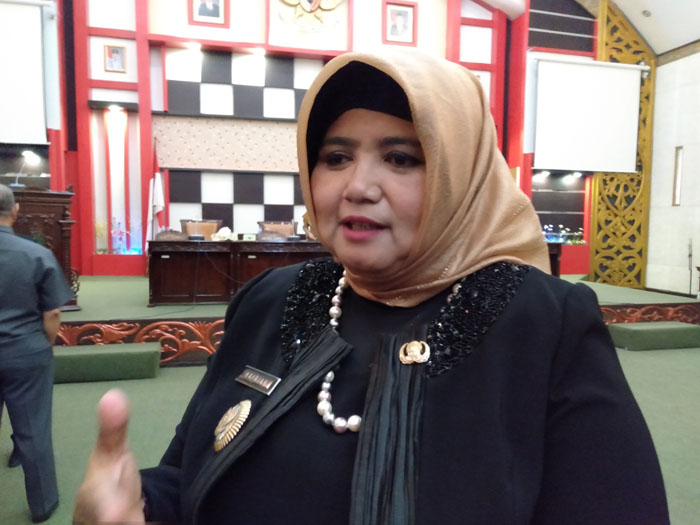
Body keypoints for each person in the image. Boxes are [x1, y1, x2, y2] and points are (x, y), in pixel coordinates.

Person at [73, 50, 669, 524]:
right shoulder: (271, 298)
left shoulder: (543, 322)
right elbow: (191, 474)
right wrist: (140, 505)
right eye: (335, 157)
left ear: (460, 175)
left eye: (401, 159)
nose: (357, 186)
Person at [0, 183, 72, 522]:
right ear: (15, 211)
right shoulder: (36, 254)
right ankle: (43, 505)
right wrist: (44, 343)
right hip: (25, 350)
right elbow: (52, 313)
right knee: (33, 427)